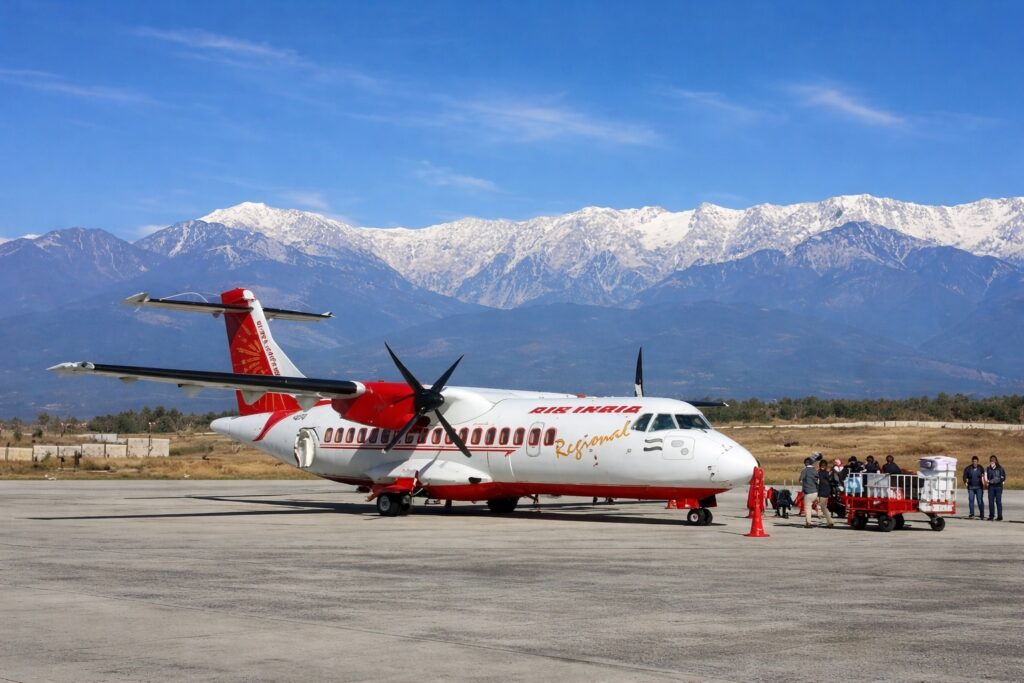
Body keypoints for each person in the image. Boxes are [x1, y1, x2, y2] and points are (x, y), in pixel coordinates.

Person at [799, 457, 819, 529]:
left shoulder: (804, 470)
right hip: (816, 492)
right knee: (817, 505)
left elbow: (800, 480)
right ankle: (819, 513)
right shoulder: (815, 470)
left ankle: (808, 522)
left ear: (805, 463)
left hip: (808, 492)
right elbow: (818, 480)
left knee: (807, 508)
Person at [986, 455, 1006, 521]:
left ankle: (1000, 516)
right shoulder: (988, 468)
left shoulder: (1000, 468)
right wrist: (986, 482)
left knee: (998, 501)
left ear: (996, 461)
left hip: (998, 487)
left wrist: (992, 481)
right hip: (991, 487)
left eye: (993, 460)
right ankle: (991, 515)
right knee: (991, 502)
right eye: (991, 460)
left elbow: (1002, 478)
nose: (992, 461)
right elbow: (986, 477)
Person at [816, 460, 835, 527]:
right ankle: (829, 521)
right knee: (824, 506)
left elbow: (818, 484)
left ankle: (830, 521)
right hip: (827, 491)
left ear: (820, 466)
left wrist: (818, 493)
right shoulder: (827, 473)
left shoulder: (819, 473)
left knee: (823, 507)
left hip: (822, 491)